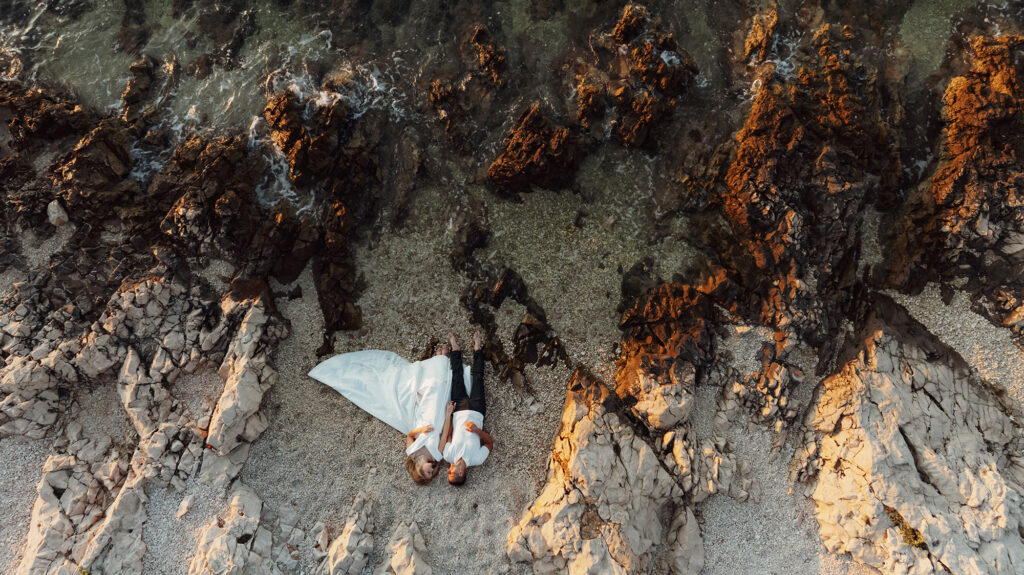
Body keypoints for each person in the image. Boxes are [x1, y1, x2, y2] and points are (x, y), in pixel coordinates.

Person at [440, 331, 493, 486]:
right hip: (477, 410)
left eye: (448, 474)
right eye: (451, 474)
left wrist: (448, 414)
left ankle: (455, 349)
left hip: (458, 410)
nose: (448, 471)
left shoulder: (448, 456)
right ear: (461, 473)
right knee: (478, 377)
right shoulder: (477, 459)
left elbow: (448, 434)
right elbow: (490, 443)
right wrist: (477, 431)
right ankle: (477, 348)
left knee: (457, 377)